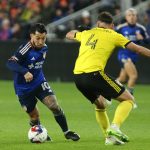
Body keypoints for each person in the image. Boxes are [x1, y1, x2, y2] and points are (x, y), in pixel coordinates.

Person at [66, 12, 150, 145]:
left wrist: (83, 29)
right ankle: (115, 127)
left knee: (100, 105)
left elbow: (69, 34)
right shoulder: (114, 35)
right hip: (94, 74)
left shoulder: (87, 34)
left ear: (98, 23)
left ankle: (109, 138)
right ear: (112, 25)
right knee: (129, 100)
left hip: (77, 78)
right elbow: (138, 49)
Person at [6, 23, 80, 142]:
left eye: (43, 38)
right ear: (31, 36)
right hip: (23, 88)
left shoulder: (45, 47)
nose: (41, 41)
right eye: (38, 38)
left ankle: (67, 132)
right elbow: (10, 62)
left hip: (39, 82)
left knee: (54, 106)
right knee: (34, 117)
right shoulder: (25, 49)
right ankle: (40, 133)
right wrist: (25, 72)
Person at [116, 8, 149, 97]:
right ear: (126, 17)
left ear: (136, 17)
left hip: (134, 56)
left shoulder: (140, 28)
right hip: (124, 55)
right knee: (133, 76)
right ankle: (130, 98)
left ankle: (108, 90)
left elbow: (147, 41)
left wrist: (142, 39)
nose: (132, 17)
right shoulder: (120, 28)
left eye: (133, 15)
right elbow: (111, 37)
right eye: (129, 15)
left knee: (122, 78)